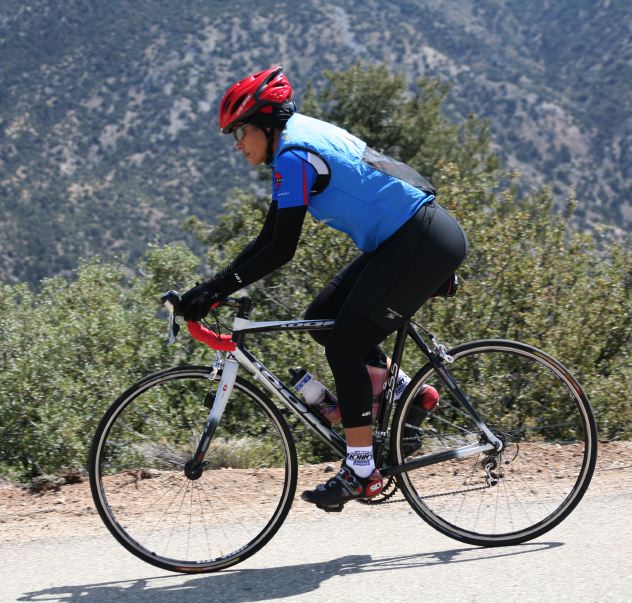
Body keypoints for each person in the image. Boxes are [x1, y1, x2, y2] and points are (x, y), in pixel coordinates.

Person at [178, 66, 468, 510]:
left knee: (345, 347)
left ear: (264, 124)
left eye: (239, 131)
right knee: (325, 321)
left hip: (421, 240)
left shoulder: (294, 155)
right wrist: (211, 288)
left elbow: (280, 249)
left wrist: (211, 292)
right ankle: (409, 391)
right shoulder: (293, 144)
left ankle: (361, 471)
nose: (237, 143)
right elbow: (268, 237)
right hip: (408, 237)